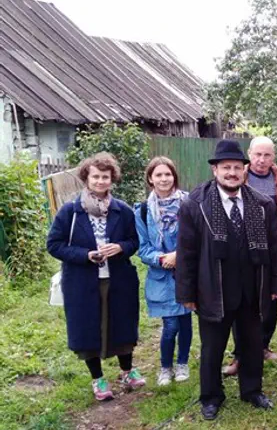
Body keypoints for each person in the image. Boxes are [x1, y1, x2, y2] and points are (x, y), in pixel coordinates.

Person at [176, 140, 277, 420]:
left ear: (244, 170)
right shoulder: (196, 204)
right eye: (226, 167)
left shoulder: (262, 204)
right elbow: (186, 252)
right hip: (213, 289)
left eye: (237, 167)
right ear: (215, 170)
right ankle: (211, 397)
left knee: (252, 343)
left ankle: (252, 390)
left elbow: (276, 247)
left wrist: (276, 284)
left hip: (252, 288)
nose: (232, 173)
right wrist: (187, 293)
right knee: (212, 347)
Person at [47, 152, 144, 402]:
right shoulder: (71, 212)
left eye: (105, 177)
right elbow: (54, 245)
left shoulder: (122, 210)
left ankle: (127, 371)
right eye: (96, 177)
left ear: (112, 179)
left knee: (122, 323)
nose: (101, 181)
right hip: (82, 281)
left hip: (118, 278)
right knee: (87, 328)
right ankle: (98, 378)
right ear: (86, 178)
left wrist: (120, 247)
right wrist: (85, 254)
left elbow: (135, 241)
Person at [222, 136, 277, 376]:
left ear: (273, 157)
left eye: (267, 155)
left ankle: (263, 345)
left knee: (271, 300)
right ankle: (239, 355)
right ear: (249, 154)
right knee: (241, 301)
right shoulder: (238, 178)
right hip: (243, 252)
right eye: (257, 154)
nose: (261, 160)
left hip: (273, 250)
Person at [135, 157, 192, 386]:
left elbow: (198, 238)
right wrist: (162, 259)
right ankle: (165, 367)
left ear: (174, 176)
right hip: (161, 277)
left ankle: (183, 363)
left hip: (186, 274)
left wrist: (180, 255)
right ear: (150, 179)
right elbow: (142, 248)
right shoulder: (143, 210)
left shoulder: (188, 203)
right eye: (158, 175)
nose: (164, 179)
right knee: (171, 325)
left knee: (185, 323)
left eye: (167, 174)